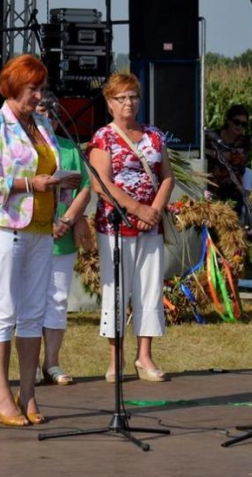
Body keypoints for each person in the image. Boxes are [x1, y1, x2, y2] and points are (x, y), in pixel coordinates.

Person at [0, 55, 81, 426]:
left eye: (41, 88)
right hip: (5, 228)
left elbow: (48, 170)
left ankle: (28, 394)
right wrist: (28, 184)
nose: (39, 95)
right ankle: (1, 394)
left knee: (35, 312)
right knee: (4, 310)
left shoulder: (43, 124)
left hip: (41, 228)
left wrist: (62, 184)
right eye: (33, 88)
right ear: (14, 88)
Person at [87, 73, 174, 383]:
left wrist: (153, 210)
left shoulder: (154, 135)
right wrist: (135, 208)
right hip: (116, 224)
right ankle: (116, 359)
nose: (128, 103)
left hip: (151, 224)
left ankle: (145, 355)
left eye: (133, 96)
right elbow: (101, 183)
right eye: (121, 98)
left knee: (149, 288)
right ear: (109, 103)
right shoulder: (103, 137)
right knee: (117, 289)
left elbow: (167, 176)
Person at [36, 92, 94, 386]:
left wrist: (69, 220)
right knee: (29, 300)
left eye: (51, 112)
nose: (46, 117)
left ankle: (52, 363)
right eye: (40, 111)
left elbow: (85, 187)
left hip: (62, 235)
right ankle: (30, 363)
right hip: (31, 233)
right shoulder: (24, 150)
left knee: (57, 300)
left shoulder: (71, 149)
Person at [204, 105, 252, 215]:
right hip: (210, 187)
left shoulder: (244, 141)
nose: (240, 126)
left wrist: (210, 152)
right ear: (228, 121)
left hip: (233, 189)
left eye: (243, 124)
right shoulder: (211, 136)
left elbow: (235, 157)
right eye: (237, 122)